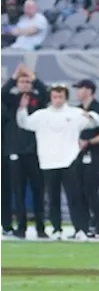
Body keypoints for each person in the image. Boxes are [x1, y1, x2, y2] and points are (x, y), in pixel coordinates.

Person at [15, 83, 99, 238]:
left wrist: (91, 116)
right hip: (48, 161)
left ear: (65, 97)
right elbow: (24, 123)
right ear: (51, 97)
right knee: (53, 198)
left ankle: (80, 229)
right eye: (54, 96)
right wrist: (22, 109)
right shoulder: (41, 115)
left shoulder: (75, 113)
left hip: (69, 160)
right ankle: (56, 228)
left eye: (60, 96)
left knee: (74, 197)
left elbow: (97, 122)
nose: (57, 100)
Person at [3, 64, 49, 237]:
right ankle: (20, 227)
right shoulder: (11, 100)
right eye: (22, 81)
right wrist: (14, 77)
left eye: (27, 81)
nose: (24, 84)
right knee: (18, 191)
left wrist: (33, 76)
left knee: (38, 190)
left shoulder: (37, 99)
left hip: (35, 152)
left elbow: (45, 93)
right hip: (15, 151)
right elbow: (2, 93)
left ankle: (40, 227)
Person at [72, 79, 99, 237]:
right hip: (77, 154)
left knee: (91, 190)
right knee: (78, 190)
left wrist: (89, 142)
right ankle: (83, 226)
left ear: (88, 90)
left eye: (80, 89)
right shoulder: (76, 110)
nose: (78, 92)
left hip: (94, 152)